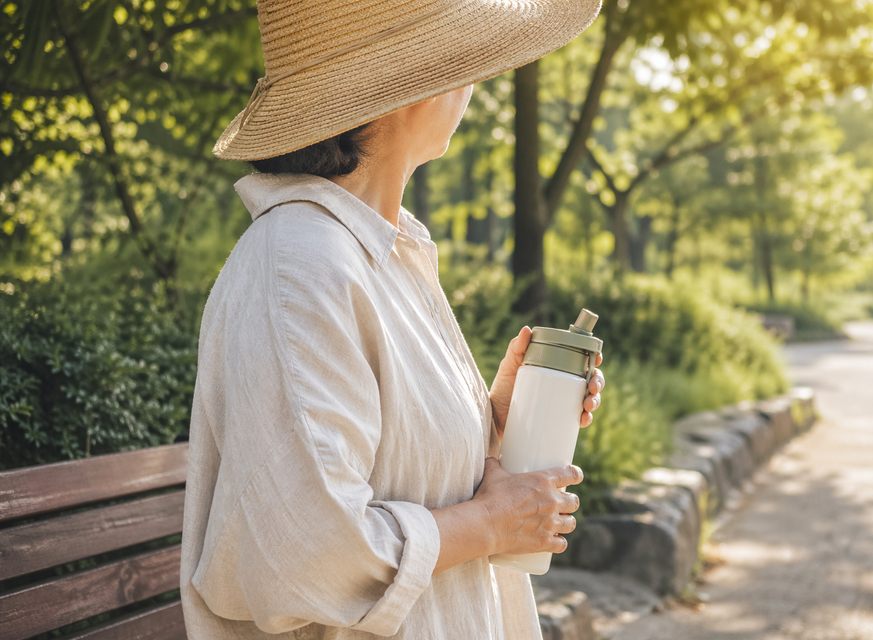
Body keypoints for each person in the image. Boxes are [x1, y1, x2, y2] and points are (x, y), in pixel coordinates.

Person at [180, 0, 604, 638]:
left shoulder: (379, 251)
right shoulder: (300, 265)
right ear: (411, 88)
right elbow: (301, 549)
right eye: (461, 57)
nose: (473, 81)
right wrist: (491, 524)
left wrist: (492, 421)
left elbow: (386, 471)